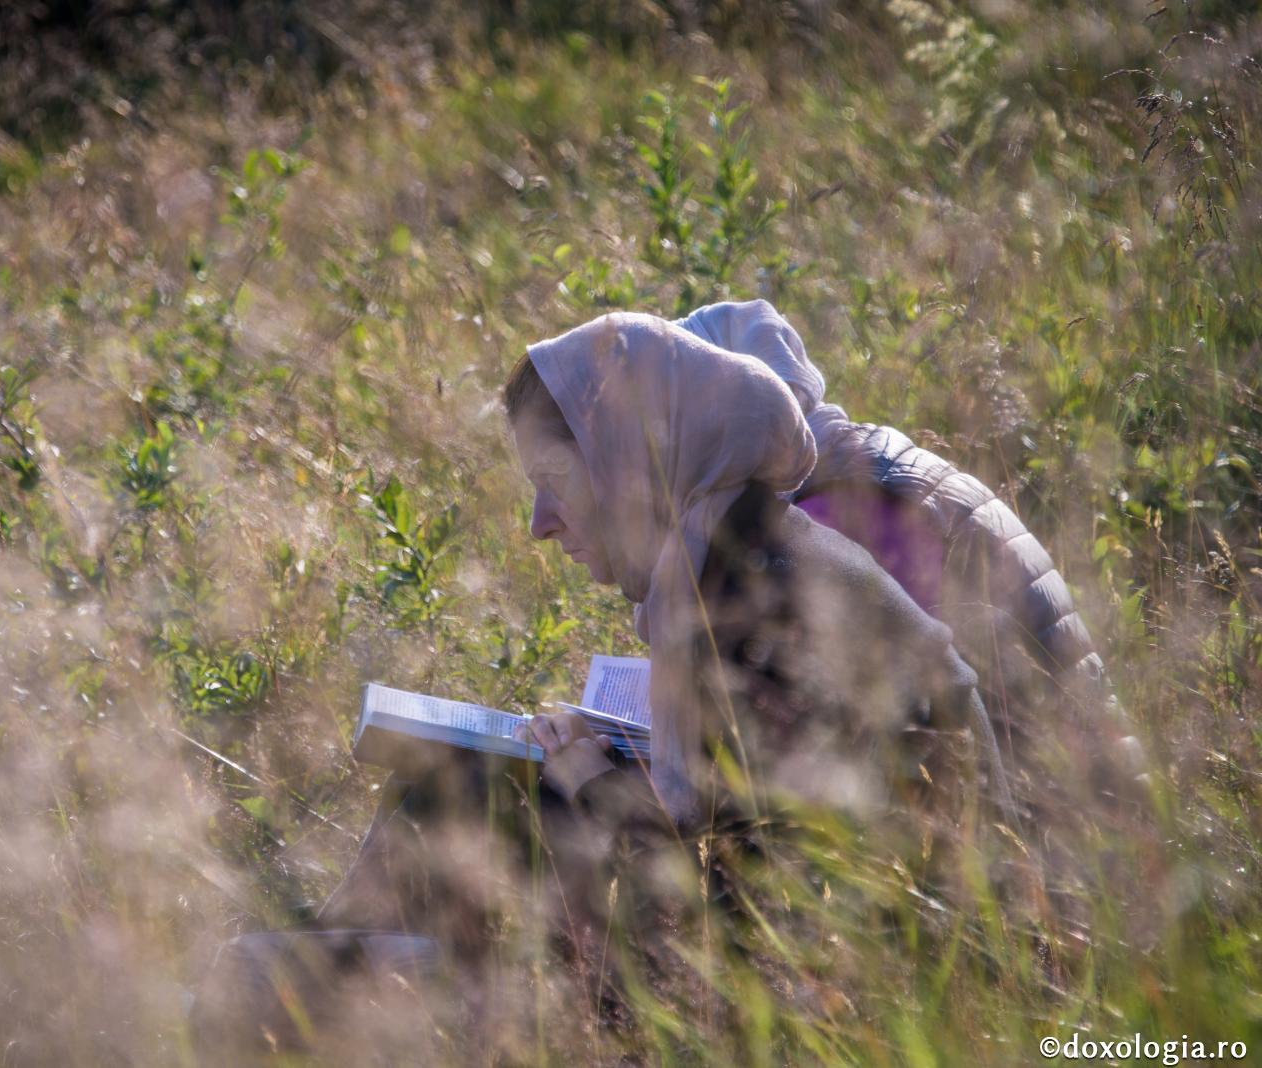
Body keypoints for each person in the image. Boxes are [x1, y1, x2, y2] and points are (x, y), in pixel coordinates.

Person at [319, 313, 1022, 967]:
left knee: (485, 807)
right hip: (882, 935)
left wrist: (597, 788)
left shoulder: (754, 604)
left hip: (903, 964)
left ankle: (330, 983)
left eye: (556, 481)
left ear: (634, 466)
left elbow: (738, 919)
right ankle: (337, 965)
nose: (539, 524)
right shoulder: (744, 557)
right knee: (471, 782)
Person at [669, 299, 1148, 820]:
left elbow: (890, 704)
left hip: (1056, 806)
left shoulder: (840, 507)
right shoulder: (868, 458)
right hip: (1067, 774)